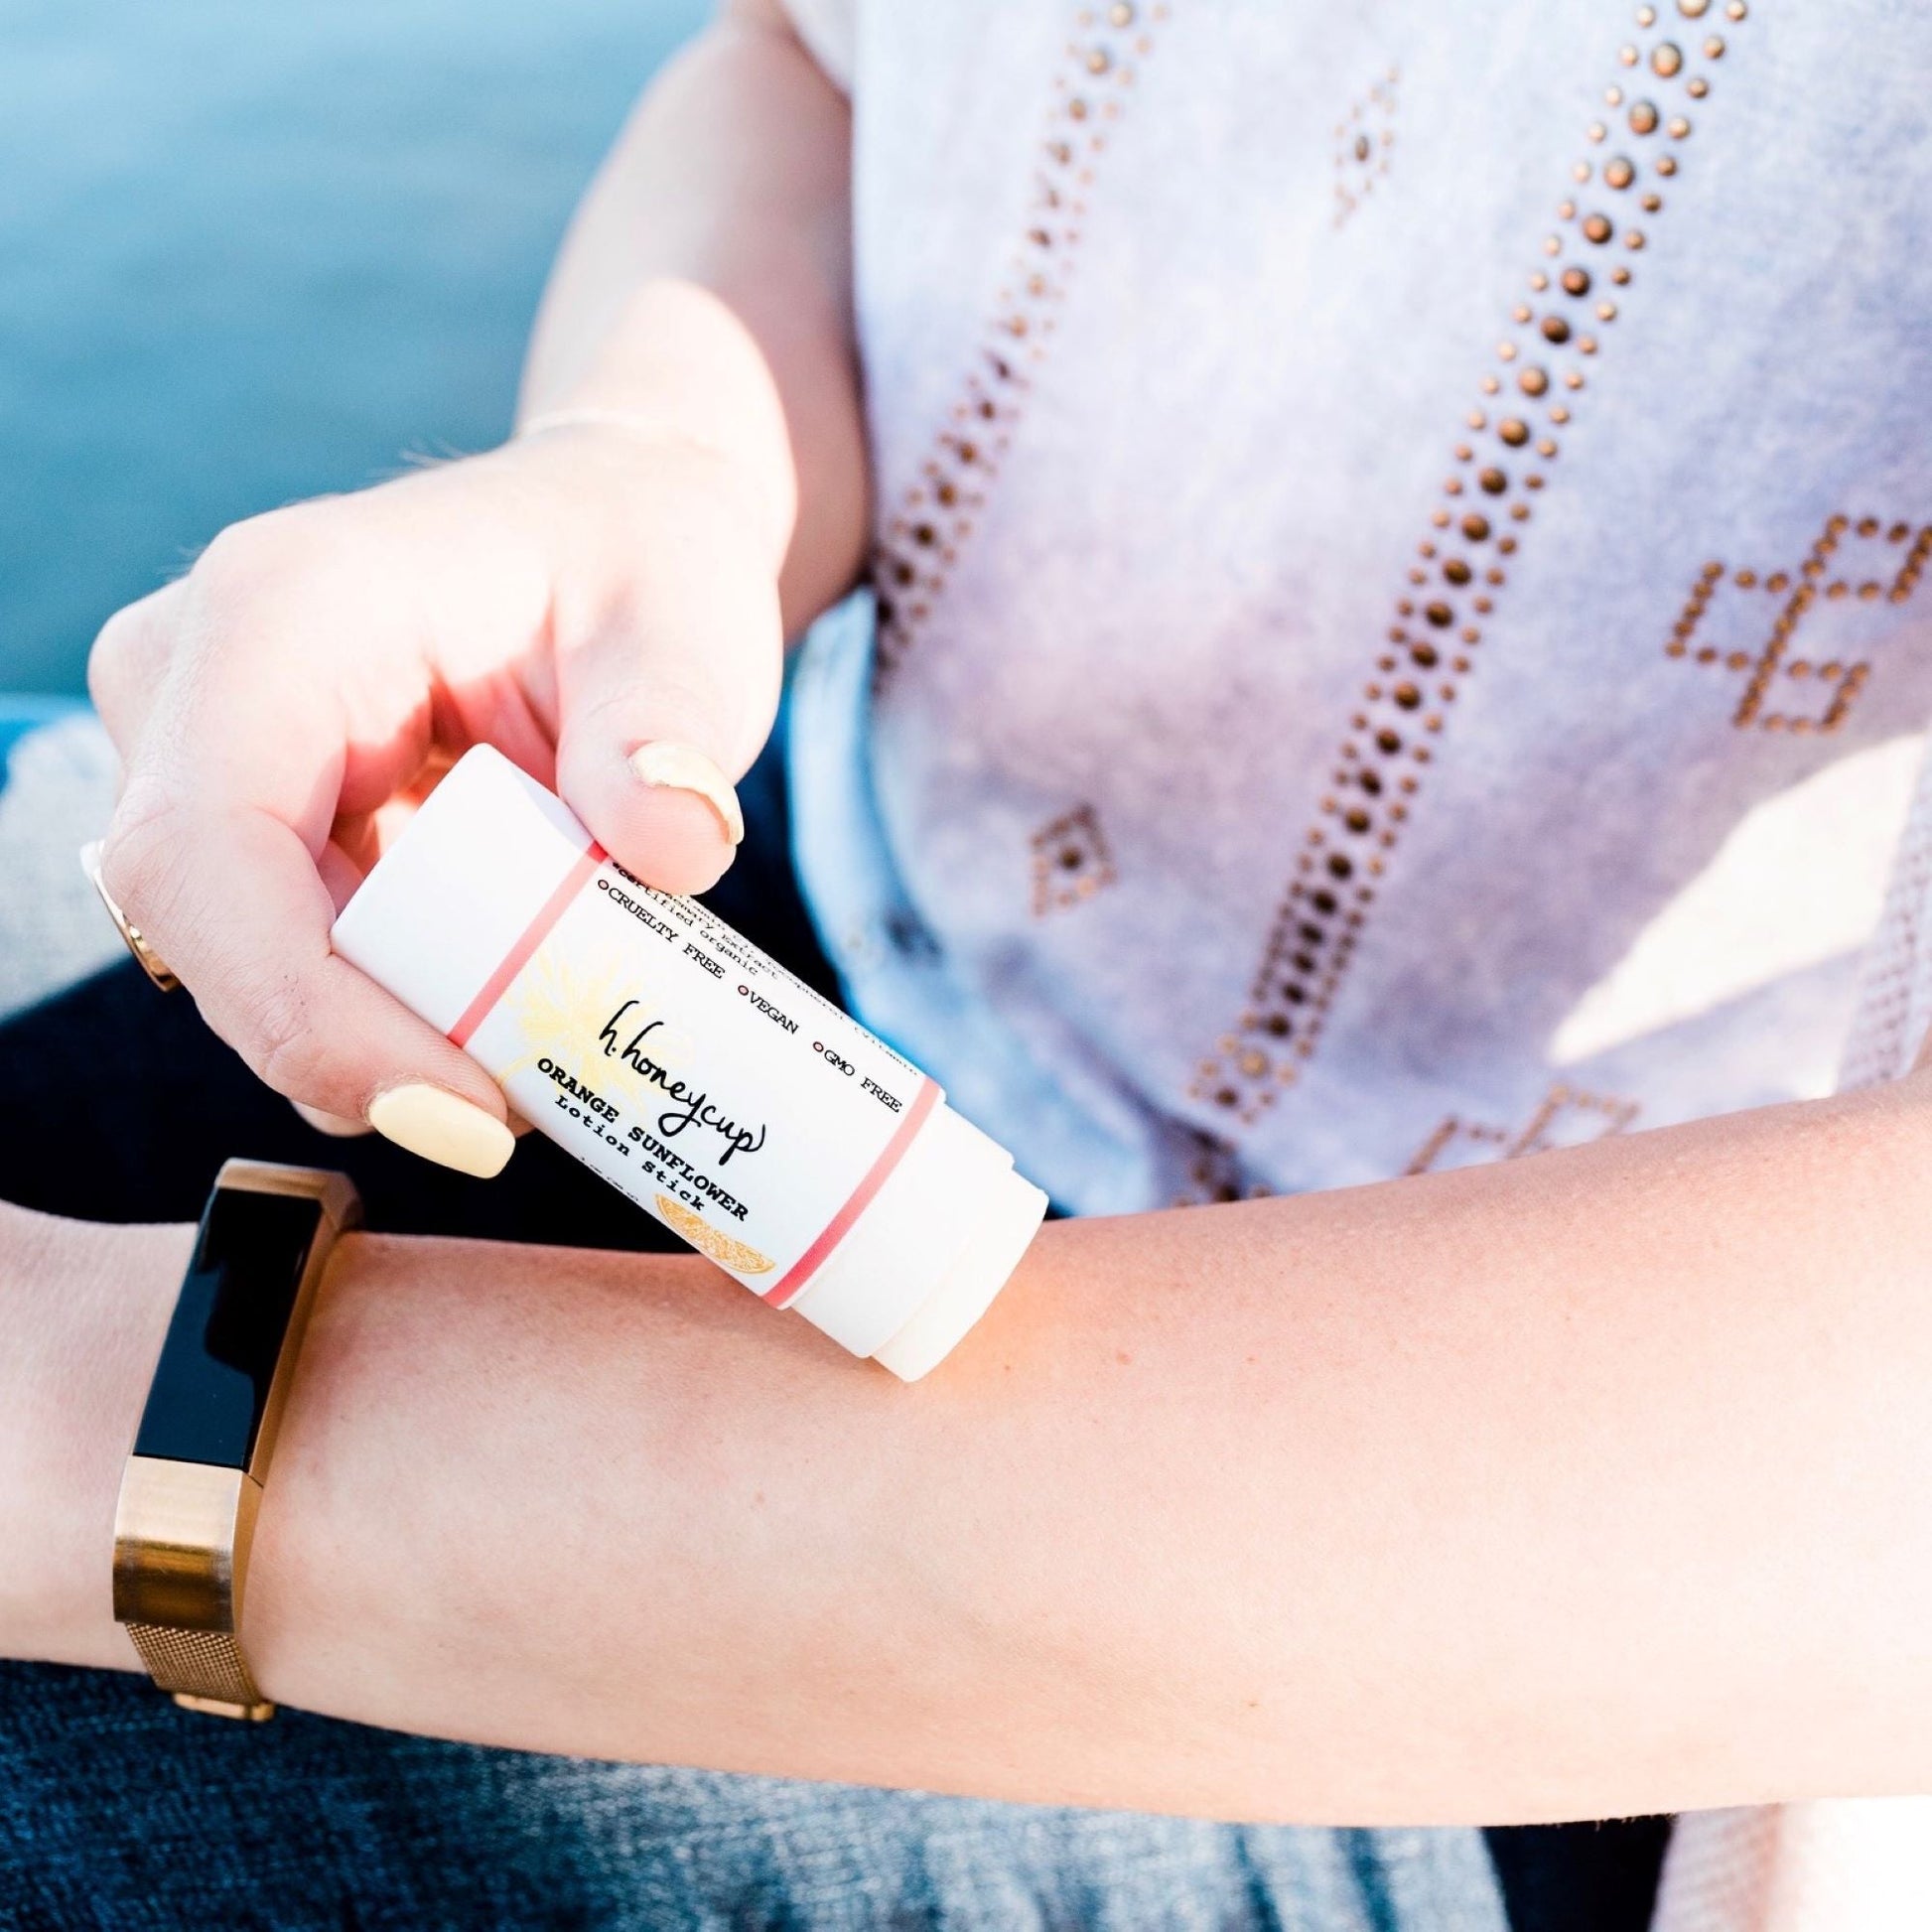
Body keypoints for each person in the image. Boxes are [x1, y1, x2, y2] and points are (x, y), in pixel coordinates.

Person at [4, 0, 1932, 1924]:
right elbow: (809, 62)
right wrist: (655, 467)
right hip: (768, 954)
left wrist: (157, 1436)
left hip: (1535, 1587)